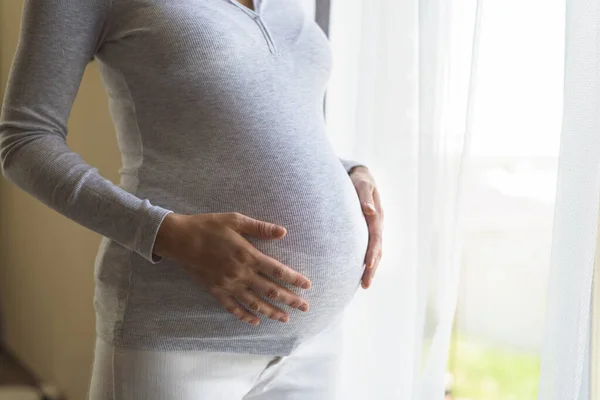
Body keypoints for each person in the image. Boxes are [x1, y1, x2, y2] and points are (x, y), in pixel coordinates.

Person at [0, 0, 385, 398]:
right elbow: (25, 142)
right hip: (181, 338)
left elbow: (280, 122)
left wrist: (352, 172)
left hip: (314, 340)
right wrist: (166, 232)